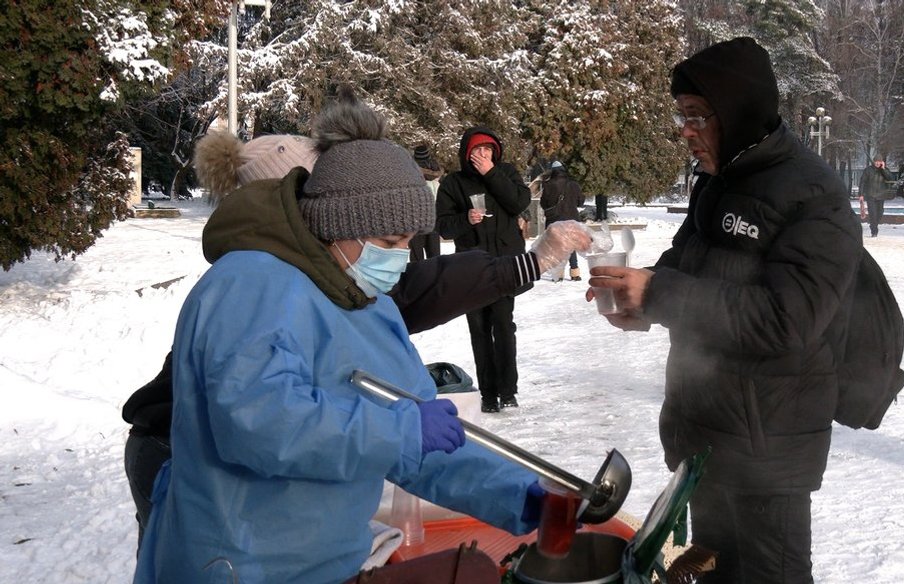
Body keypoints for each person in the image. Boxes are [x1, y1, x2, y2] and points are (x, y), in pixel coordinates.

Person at [130, 94, 588, 584]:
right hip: (240, 565)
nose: (399, 257)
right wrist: (401, 431)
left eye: (408, 242)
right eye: (390, 243)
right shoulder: (251, 283)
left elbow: (421, 443)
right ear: (337, 227)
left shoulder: (367, 303)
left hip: (334, 562)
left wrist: (520, 494)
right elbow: (259, 421)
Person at [587, 37, 863, 584]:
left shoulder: (813, 197)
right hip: (705, 440)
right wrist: (643, 300)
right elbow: (687, 264)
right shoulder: (717, 182)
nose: (685, 130)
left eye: (696, 116)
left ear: (737, 113)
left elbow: (788, 319)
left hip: (767, 454)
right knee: (708, 573)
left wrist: (661, 294)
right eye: (681, 115)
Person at [436, 127, 532, 413]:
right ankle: (488, 394)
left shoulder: (506, 173)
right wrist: (466, 218)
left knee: (503, 326)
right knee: (479, 330)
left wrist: (492, 173)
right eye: (477, 150)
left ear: (495, 152)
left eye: (487, 149)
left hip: (504, 265)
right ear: (467, 153)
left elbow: (518, 201)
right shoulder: (454, 183)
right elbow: (443, 225)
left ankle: (508, 391)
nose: (482, 154)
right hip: (471, 268)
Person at [540, 160, 585, 281]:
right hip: (572, 219)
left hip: (554, 220)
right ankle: (575, 272)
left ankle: (558, 273)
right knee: (571, 245)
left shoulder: (548, 184)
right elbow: (581, 201)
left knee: (557, 246)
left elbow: (543, 203)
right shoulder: (573, 184)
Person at [409, 144, 443, 261]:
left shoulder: (410, 172)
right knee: (434, 257)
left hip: (415, 219)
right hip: (433, 218)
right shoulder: (437, 170)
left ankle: (419, 278)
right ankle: (435, 279)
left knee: (417, 259)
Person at [858, 157, 895, 237]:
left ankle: (873, 225)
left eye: (879, 161)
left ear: (882, 162)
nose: (877, 163)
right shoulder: (868, 170)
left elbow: (891, 179)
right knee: (873, 214)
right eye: (876, 161)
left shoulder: (884, 170)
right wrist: (861, 194)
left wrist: (884, 169)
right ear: (874, 162)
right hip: (870, 196)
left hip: (881, 196)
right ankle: (874, 231)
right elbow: (862, 182)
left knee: (880, 213)